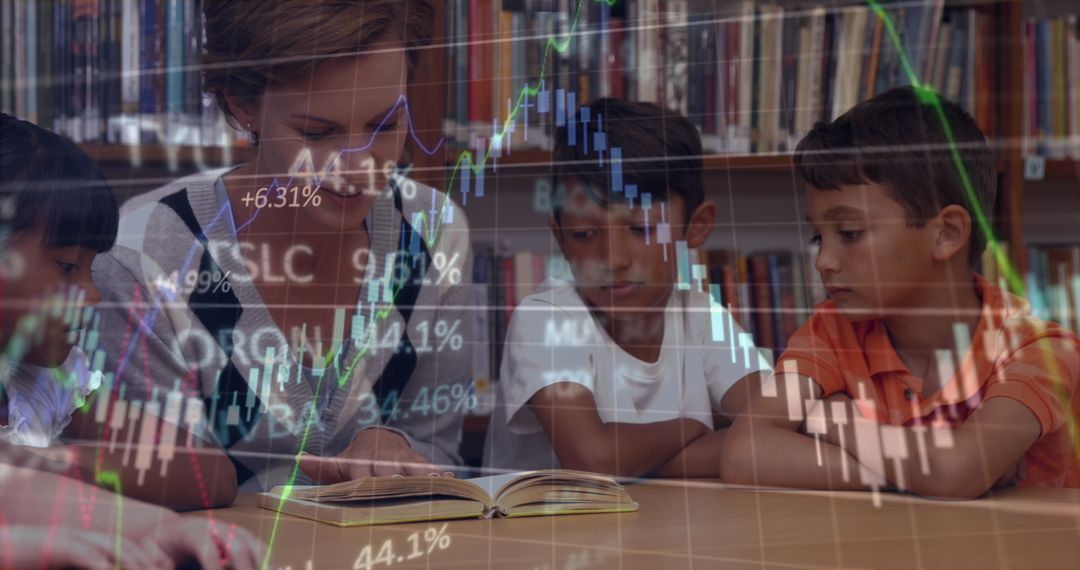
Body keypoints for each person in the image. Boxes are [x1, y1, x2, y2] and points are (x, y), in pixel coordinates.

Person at [89, 0, 472, 492]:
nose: (358, 169)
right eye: (316, 133)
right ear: (242, 105)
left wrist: (399, 448)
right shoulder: (144, 256)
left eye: (385, 126)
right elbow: (146, 493)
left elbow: (442, 452)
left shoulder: (434, 232)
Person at [720, 86, 1080, 498]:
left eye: (849, 233)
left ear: (946, 234)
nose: (823, 262)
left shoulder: (1040, 351)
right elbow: (743, 453)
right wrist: (904, 470)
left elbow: (955, 472)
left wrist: (837, 422)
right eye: (818, 237)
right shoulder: (833, 332)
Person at [0, 113, 266, 569]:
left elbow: (211, 473)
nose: (93, 293)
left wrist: (62, 463)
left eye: (91, 269)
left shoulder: (48, 381)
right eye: (67, 267)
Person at [484, 99, 771, 477]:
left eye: (642, 230)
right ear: (560, 237)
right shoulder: (546, 319)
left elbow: (775, 426)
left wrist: (648, 462)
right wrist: (693, 429)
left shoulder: (701, 318)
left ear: (697, 225)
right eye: (584, 234)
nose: (613, 259)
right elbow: (594, 458)